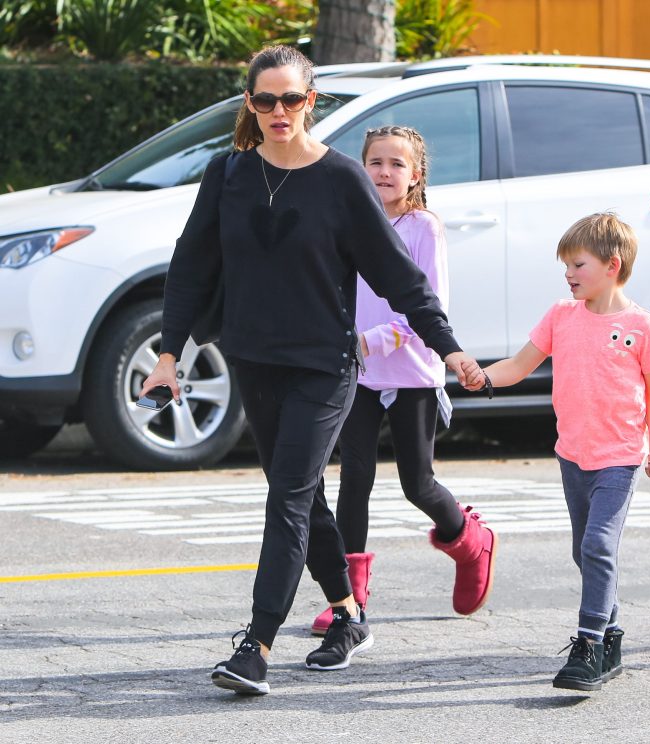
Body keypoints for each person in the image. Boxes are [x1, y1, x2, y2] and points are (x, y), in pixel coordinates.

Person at [140, 45, 481, 696]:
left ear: (311, 102)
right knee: (305, 499)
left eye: (290, 99)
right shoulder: (227, 175)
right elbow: (191, 269)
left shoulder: (341, 180)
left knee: (287, 498)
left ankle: (256, 646)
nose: (278, 111)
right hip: (253, 360)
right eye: (265, 99)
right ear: (250, 103)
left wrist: (448, 347)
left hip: (325, 367)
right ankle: (349, 614)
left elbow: (399, 277)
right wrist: (167, 354)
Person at [466, 213, 650, 691]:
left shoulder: (642, 325)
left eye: (577, 264)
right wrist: (481, 377)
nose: (569, 273)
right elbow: (520, 364)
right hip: (572, 454)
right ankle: (612, 637)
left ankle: (588, 645)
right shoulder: (562, 315)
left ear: (612, 265)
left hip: (618, 457)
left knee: (599, 545)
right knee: (585, 553)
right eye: (567, 265)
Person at [308, 125, 497, 637]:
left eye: (396, 164)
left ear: (416, 175)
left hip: (411, 371)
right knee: (355, 480)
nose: (385, 172)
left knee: (418, 483)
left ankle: (471, 541)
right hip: (361, 373)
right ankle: (348, 599)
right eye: (375, 162)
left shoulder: (423, 228)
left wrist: (371, 340)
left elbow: (425, 306)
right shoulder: (352, 221)